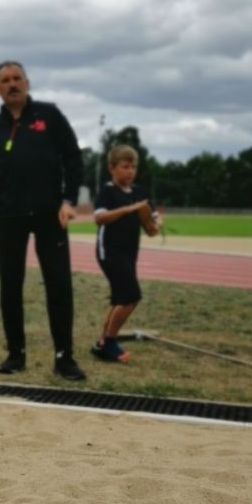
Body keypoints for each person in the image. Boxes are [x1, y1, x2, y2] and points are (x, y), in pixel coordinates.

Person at [0, 60, 86, 381]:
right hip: (10, 216)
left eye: (17, 78)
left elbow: (73, 157)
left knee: (59, 285)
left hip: (51, 215)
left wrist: (69, 200)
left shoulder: (50, 116)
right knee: (10, 287)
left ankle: (64, 357)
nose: (12, 84)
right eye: (5, 80)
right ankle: (16, 354)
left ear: (27, 82)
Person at [91, 143, 160, 363]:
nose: (130, 171)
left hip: (130, 252)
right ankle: (110, 343)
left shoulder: (139, 193)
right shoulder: (108, 191)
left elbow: (153, 217)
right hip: (109, 251)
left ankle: (102, 342)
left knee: (120, 298)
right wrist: (128, 209)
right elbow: (99, 217)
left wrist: (155, 223)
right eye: (125, 166)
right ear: (112, 168)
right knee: (131, 296)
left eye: (133, 167)